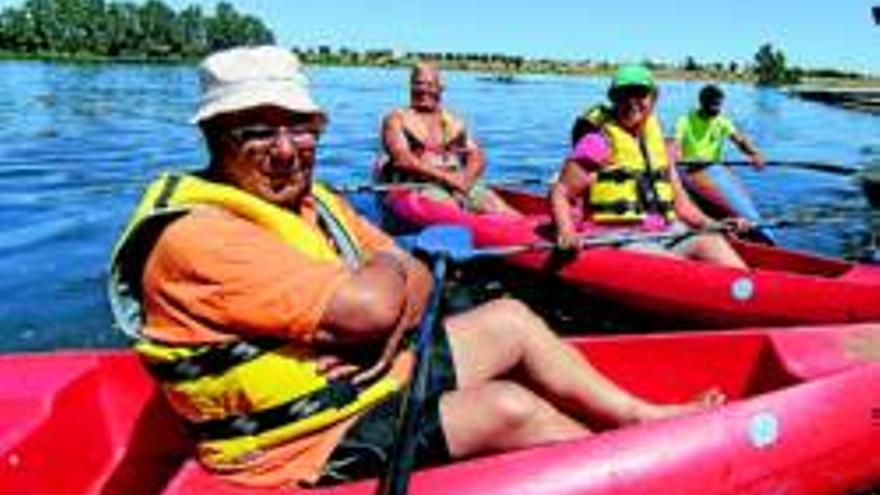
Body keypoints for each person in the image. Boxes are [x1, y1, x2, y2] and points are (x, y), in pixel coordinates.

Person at [108, 47, 720, 489]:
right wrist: (390, 291)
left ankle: (642, 420)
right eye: (258, 130)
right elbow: (375, 300)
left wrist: (393, 308)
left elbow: (414, 267)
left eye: (299, 127)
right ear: (214, 136)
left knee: (509, 317)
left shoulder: (314, 201)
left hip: (366, 377)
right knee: (505, 405)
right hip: (299, 445)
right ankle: (646, 479)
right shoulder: (199, 235)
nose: (286, 147)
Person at [552, 65, 749, 268]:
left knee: (712, 241)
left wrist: (713, 224)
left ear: (653, 98)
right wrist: (566, 232)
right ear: (613, 98)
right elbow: (561, 192)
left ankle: (747, 291)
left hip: (666, 231)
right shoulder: (597, 141)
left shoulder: (659, 146)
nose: (632, 101)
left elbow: (682, 205)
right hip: (617, 237)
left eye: (640, 94)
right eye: (624, 94)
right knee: (677, 269)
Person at [379, 62, 519, 215]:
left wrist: (466, 180)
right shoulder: (396, 119)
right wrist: (448, 179)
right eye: (419, 83)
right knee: (450, 209)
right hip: (417, 185)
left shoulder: (454, 120)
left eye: (430, 85)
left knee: (500, 209)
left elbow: (477, 154)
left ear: (440, 88)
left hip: (459, 181)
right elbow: (403, 159)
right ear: (411, 86)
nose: (424, 89)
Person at [675, 84, 764, 169]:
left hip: (714, 167)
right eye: (714, 105)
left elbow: (739, 140)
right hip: (690, 168)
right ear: (702, 103)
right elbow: (676, 147)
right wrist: (679, 162)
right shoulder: (684, 121)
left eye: (719, 105)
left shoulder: (722, 121)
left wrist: (754, 153)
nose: (718, 109)